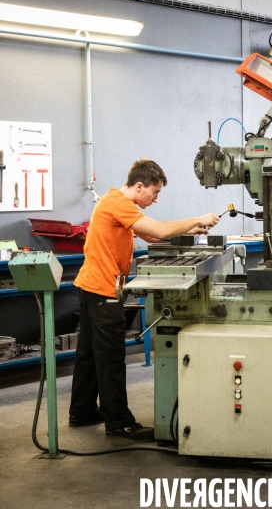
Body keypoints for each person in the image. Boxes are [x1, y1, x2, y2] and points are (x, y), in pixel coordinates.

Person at [69, 159, 219, 440]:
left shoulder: (115, 203)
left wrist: (188, 232)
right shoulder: (119, 204)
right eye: (154, 192)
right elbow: (159, 230)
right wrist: (198, 218)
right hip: (103, 292)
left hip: (89, 287)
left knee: (88, 355)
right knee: (111, 359)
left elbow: (148, 234)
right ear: (139, 186)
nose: (156, 198)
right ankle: (119, 422)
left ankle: (82, 410)